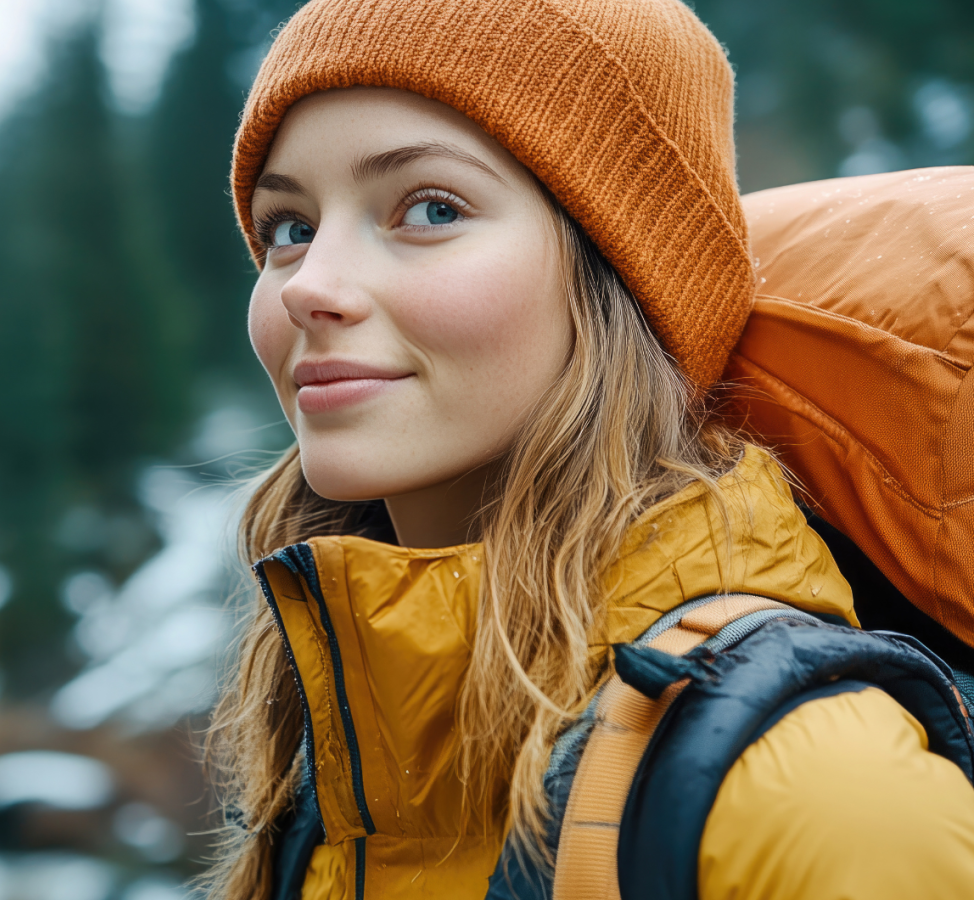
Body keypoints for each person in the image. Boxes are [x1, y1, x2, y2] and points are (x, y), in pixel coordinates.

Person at [205, 0, 974, 897]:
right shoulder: (334, 756)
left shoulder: (816, 801)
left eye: (429, 208)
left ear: (621, 280)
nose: (313, 287)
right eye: (289, 228)